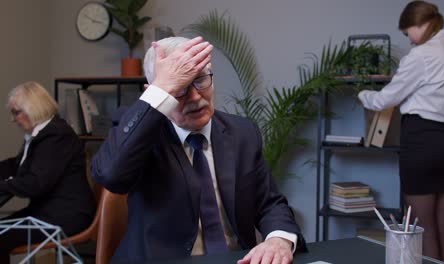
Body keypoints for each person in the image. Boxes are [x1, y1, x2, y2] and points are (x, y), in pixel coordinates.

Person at [91, 36, 306, 263]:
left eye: (201, 79)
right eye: (180, 88)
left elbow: (269, 204)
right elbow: (109, 174)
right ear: (155, 90)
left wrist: (278, 240)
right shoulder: (139, 133)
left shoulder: (242, 132)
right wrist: (162, 89)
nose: (195, 97)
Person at [358, 1, 444, 262]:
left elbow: (386, 99)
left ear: (419, 25)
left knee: (424, 230)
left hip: (422, 143)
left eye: (408, 32)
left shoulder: (421, 55)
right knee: (443, 229)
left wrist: (362, 94)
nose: (409, 39)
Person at [0, 82, 96, 262]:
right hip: (48, 213)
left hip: (64, 217)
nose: (13, 119)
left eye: (16, 112)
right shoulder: (44, 133)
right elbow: (18, 165)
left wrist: (3, 185)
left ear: (32, 109)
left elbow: (35, 183)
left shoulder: (55, 136)